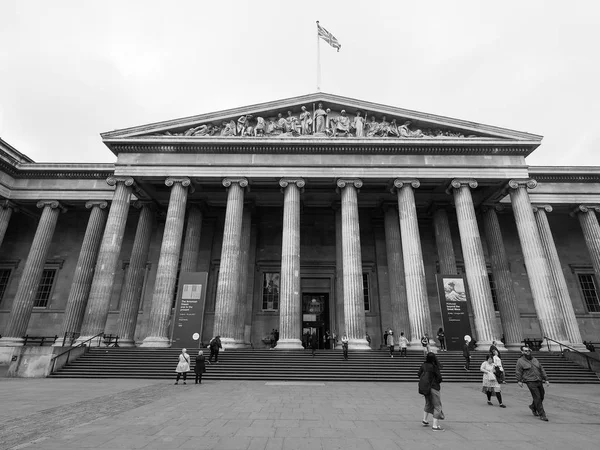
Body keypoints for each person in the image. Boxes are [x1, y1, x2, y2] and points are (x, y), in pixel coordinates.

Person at [515, 345, 550, 421]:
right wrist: (519, 380)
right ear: (522, 352)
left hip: (538, 379)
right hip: (530, 381)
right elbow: (518, 371)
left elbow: (541, 369)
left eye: (528, 350)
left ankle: (533, 406)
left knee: (541, 396)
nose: (527, 352)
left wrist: (546, 379)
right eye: (525, 351)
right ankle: (542, 414)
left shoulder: (535, 359)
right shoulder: (520, 361)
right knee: (537, 397)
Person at [418, 352, 445, 431]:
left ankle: (425, 420)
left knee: (428, 403)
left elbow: (419, 374)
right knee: (437, 406)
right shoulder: (434, 367)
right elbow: (439, 378)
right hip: (434, 387)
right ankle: (435, 426)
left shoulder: (423, 365)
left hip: (425, 388)